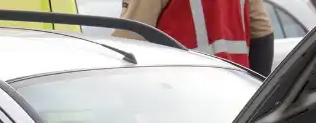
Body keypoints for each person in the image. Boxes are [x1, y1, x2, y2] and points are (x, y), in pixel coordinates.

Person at [113, 0, 275, 77]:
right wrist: (254, 93)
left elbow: (130, 39)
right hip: (235, 93)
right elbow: (262, 34)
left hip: (179, 94)